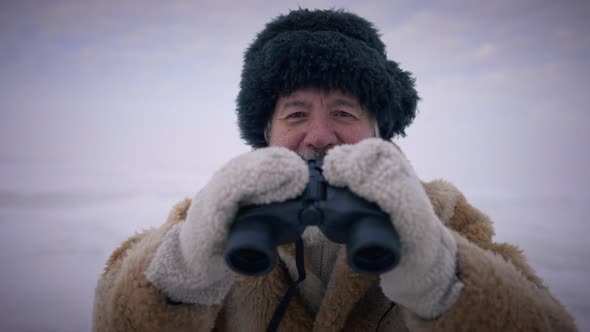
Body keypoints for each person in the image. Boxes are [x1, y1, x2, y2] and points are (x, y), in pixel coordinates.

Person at [92, 8, 578, 332]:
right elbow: (111, 316)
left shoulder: (444, 216)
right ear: (266, 133)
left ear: (379, 132)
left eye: (344, 113)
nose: (320, 135)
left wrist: (440, 274)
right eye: (296, 114)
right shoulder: (215, 216)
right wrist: (186, 262)